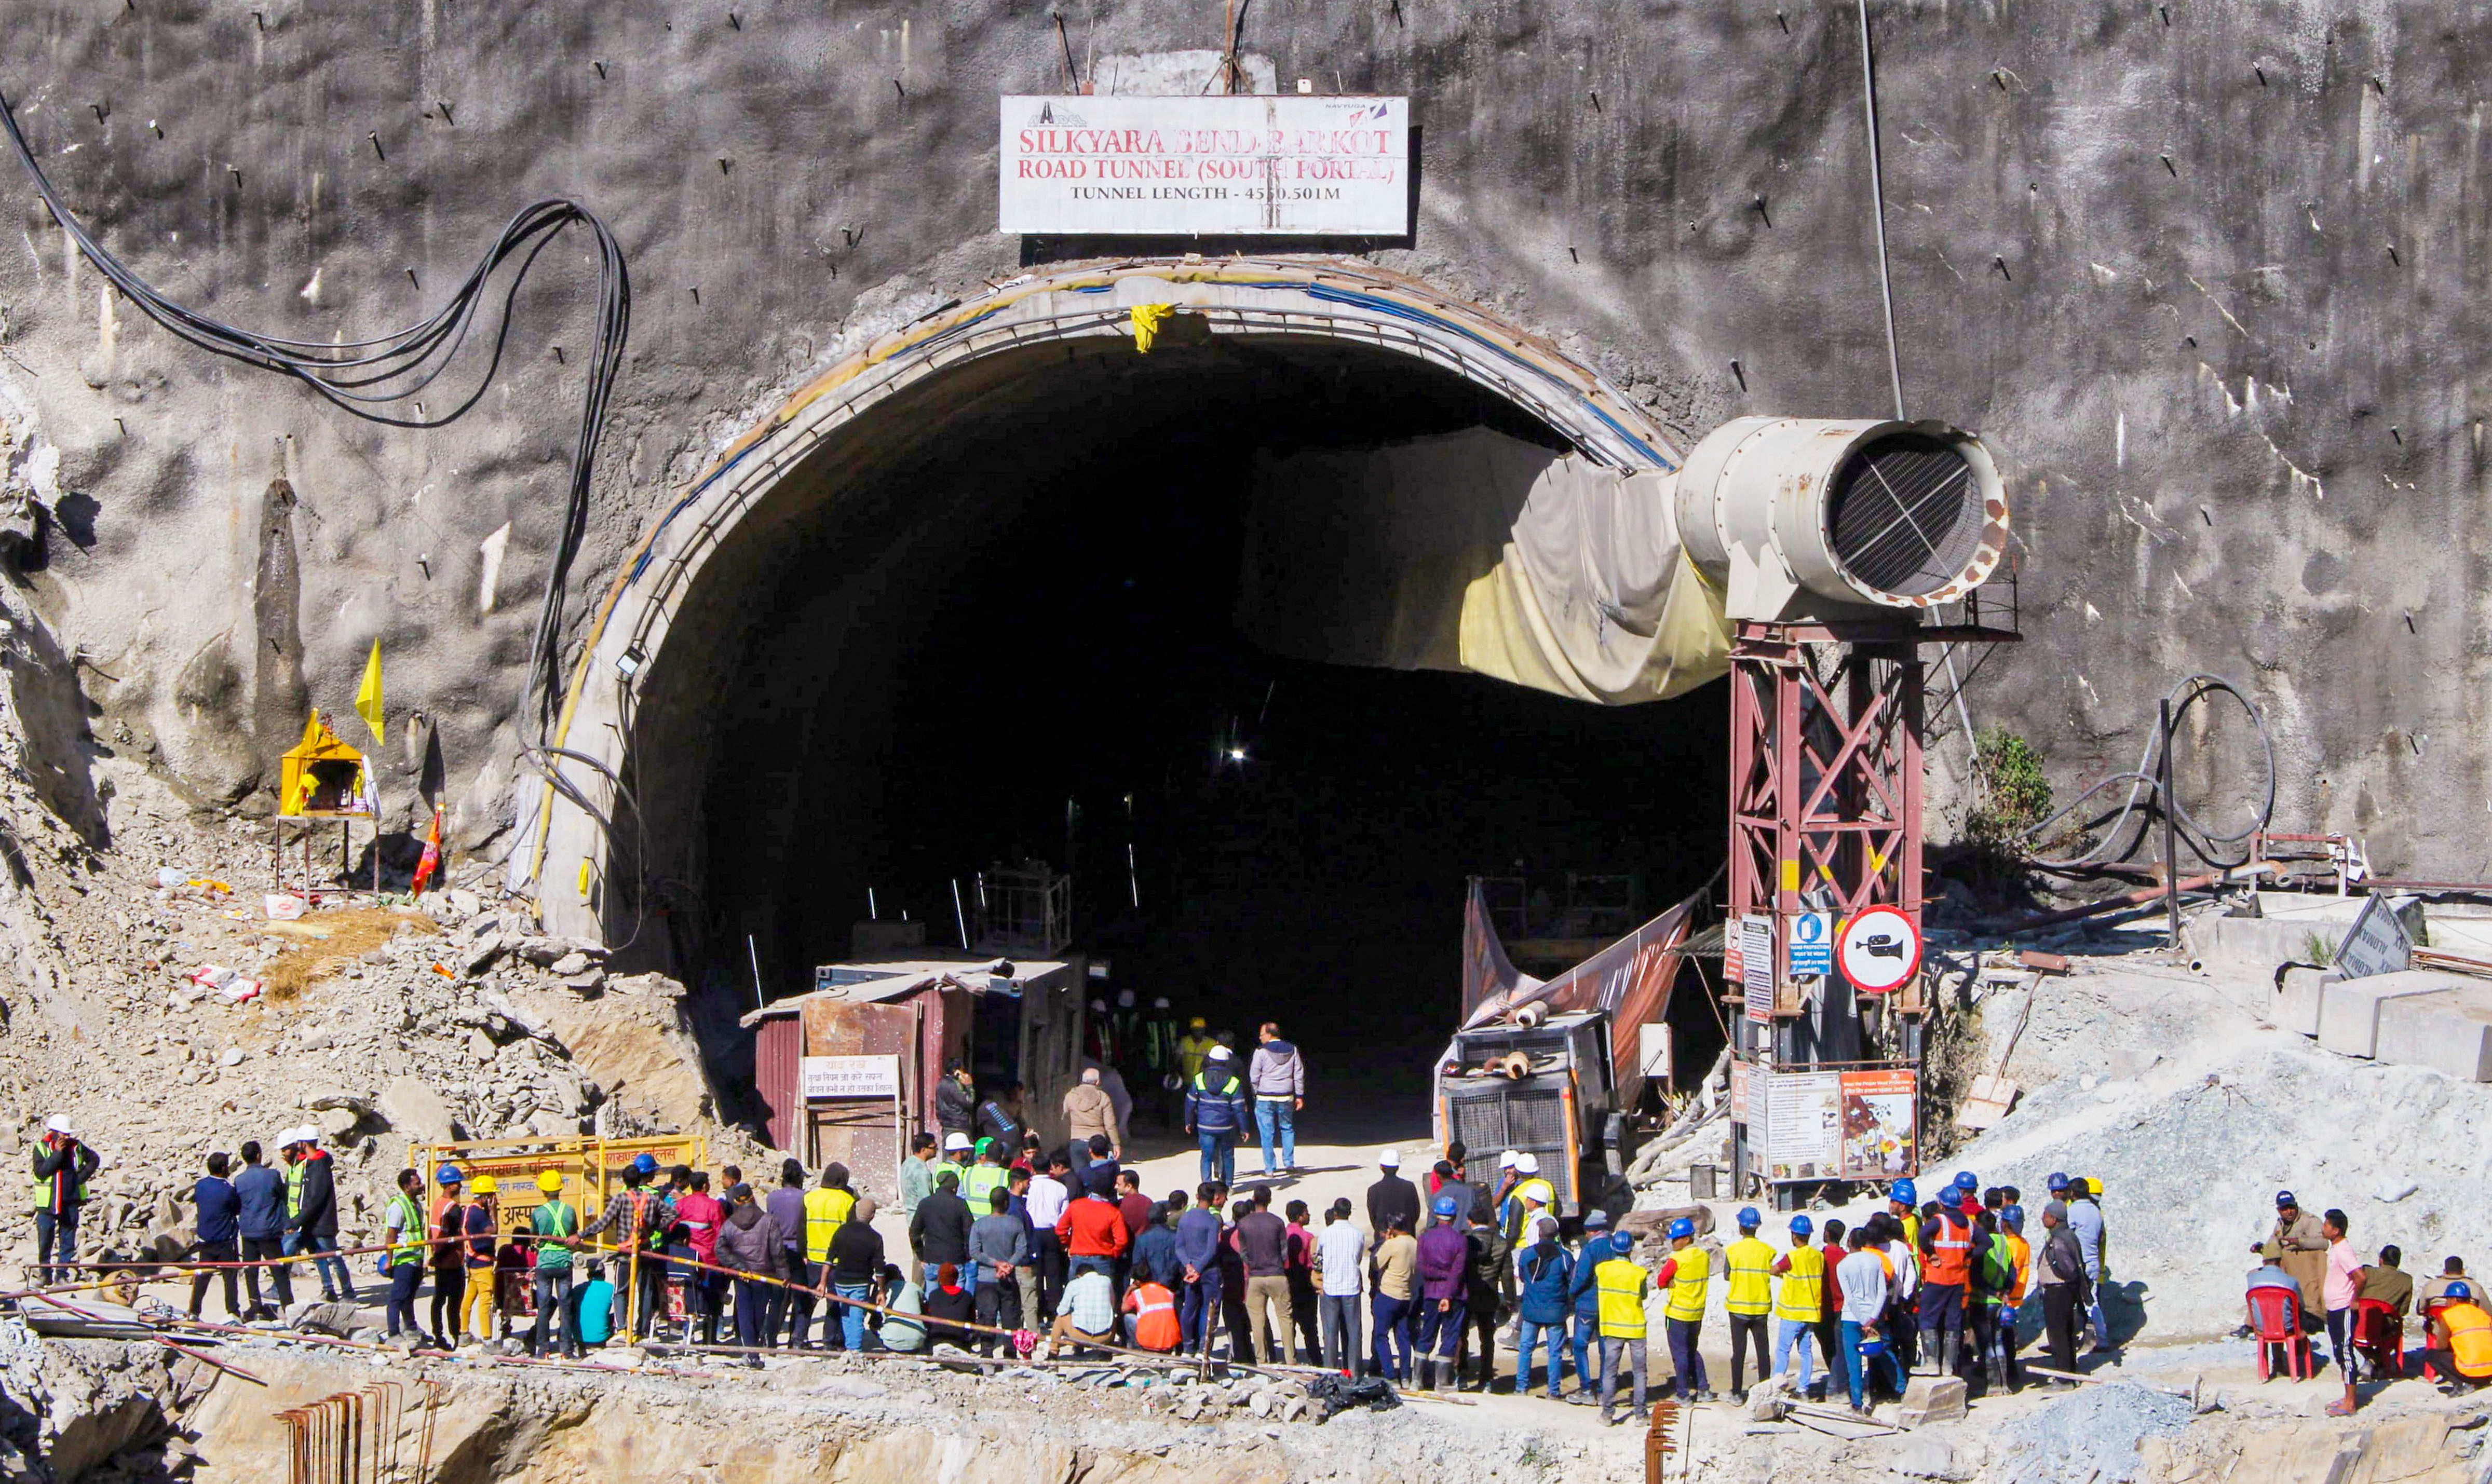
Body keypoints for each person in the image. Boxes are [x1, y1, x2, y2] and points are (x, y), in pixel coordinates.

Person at [580, 1155, 673, 1342]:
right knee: (645, 1292)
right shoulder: (651, 1198)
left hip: (625, 1253)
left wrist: (581, 1235)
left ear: (624, 1181)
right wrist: (655, 1225)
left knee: (621, 1291)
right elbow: (672, 1213)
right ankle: (642, 1330)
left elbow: (603, 1223)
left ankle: (623, 1329)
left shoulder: (621, 1199)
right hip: (645, 1251)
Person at [286, 1130, 353, 1302]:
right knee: (318, 1256)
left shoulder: (319, 1166)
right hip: (312, 1223)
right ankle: (329, 1289)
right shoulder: (310, 1164)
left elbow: (314, 1199)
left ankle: (348, 1292)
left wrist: (298, 1221)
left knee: (333, 1257)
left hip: (321, 1223)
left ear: (304, 1143)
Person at [30, 1117, 98, 1286]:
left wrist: (79, 1179)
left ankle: (61, 1275)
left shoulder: (76, 1147)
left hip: (70, 1202)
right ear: (53, 1132)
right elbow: (41, 1172)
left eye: (68, 1134)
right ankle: (44, 1274)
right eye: (63, 1134)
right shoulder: (41, 1148)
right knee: (45, 1240)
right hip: (48, 1204)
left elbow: (94, 1160)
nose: (66, 1138)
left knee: (67, 1240)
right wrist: (57, 1155)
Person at [1593, 1229, 1651, 1425]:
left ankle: (1608, 1414)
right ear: (1631, 1250)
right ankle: (1641, 1415)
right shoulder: (1639, 1273)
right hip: (1635, 1328)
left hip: (1612, 1328)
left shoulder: (1602, 1270)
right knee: (1640, 1372)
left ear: (1613, 1248)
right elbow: (1644, 1296)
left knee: (1609, 1372)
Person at [718, 1181, 784, 1351]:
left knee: (745, 1312)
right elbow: (777, 1250)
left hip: (742, 1275)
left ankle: (750, 1350)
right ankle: (756, 1346)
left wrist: (738, 1266)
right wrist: (784, 1274)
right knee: (759, 1312)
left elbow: (720, 1248)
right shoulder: (769, 1221)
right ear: (752, 1198)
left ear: (736, 1202)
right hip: (764, 1274)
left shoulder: (730, 1224)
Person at [1231, 1185, 1293, 1363]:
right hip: (1276, 1274)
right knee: (1285, 1318)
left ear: (1253, 1199)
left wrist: (1253, 1264)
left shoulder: (1244, 1224)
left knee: (1257, 1320)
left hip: (1256, 1276)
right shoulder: (1277, 1222)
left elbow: (1243, 1252)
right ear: (1270, 1200)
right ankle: (1290, 1359)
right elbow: (1284, 1251)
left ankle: (1261, 1359)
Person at [1916, 1192, 1974, 1381]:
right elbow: (1986, 1242)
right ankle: (1949, 1365)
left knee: (1927, 1318)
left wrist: (1930, 1252)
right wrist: (1967, 1257)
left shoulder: (1939, 1221)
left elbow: (1923, 1234)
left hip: (1938, 1278)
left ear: (1942, 1204)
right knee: (1953, 1322)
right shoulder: (1968, 1224)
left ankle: (1932, 1363)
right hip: (1957, 1280)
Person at [1515, 1214, 1574, 1400]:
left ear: (1539, 1233)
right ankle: (1553, 1391)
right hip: (1556, 1312)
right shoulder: (1565, 1257)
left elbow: (1524, 1278)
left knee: (1525, 1348)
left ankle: (1521, 1388)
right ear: (1556, 1234)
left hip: (1531, 1310)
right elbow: (1571, 1282)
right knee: (1555, 1352)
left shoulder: (1527, 1254)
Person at [1416, 1194, 1470, 1392]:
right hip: (1453, 1295)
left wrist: (1438, 1277)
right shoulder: (1460, 1241)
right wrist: (1447, 1294)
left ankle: (1417, 1380)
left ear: (1437, 1215)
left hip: (1431, 1292)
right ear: (1454, 1217)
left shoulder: (1424, 1238)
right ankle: (1443, 1382)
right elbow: (1457, 1272)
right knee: (1449, 1336)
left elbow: (1422, 1267)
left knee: (1426, 1335)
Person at [1837, 1228, 1893, 1416]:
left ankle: (1857, 1403)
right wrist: (1872, 1319)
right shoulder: (1875, 1260)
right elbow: (1882, 1293)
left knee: (1854, 1364)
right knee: (1883, 1354)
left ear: (1850, 1242)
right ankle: (1900, 1388)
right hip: (1872, 1315)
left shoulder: (1843, 1265)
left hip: (1852, 1317)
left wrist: (1862, 1321)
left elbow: (1849, 1298)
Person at [802, 1163, 858, 1350]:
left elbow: (801, 1228)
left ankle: (799, 1338)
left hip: (812, 1258)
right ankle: (830, 1341)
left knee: (807, 1302)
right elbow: (852, 1232)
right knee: (834, 1302)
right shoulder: (847, 1201)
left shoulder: (810, 1198)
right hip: (837, 1262)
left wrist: (804, 1253)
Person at [1723, 1206, 1776, 1400]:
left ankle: (1737, 1393)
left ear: (1741, 1228)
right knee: (1763, 1352)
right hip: (1760, 1308)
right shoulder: (1767, 1251)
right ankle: (1765, 1391)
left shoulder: (1732, 1250)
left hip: (1738, 1308)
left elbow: (1727, 1275)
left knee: (1739, 1353)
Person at [233, 1139, 289, 1320]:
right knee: (279, 1271)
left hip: (248, 1231)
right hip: (270, 1230)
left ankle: (255, 1307)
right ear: (259, 1155)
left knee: (251, 1271)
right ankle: (288, 1305)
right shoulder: (272, 1175)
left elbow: (237, 1205)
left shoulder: (239, 1180)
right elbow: (283, 1196)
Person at [2261, 1191, 2330, 1335]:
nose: (2289, 1212)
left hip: (2307, 1268)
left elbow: (2323, 1243)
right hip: (2289, 1269)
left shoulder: (2309, 1221)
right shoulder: (2280, 1224)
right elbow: (2274, 1242)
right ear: (2279, 1211)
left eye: (2291, 1207)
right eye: (2285, 1209)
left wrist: (2299, 1242)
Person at [1771, 1215, 1824, 1400]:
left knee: (1784, 1350)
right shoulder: (1818, 1256)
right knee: (1806, 1352)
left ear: (1794, 1235)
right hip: (1810, 1312)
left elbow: (1775, 1269)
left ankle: (1775, 1387)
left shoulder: (1791, 1256)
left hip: (1792, 1311)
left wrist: (1780, 1274)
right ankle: (1803, 1389)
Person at [969, 1187, 1028, 1352]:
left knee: (987, 1318)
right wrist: (1008, 1265)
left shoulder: (979, 1225)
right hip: (1008, 1278)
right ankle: (1010, 1354)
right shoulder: (1015, 1224)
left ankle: (987, 1354)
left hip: (986, 1278)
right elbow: (1022, 1249)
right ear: (1006, 1203)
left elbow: (974, 1252)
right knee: (1010, 1319)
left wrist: (995, 1264)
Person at [529, 1170, 580, 1357]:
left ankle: (543, 1350)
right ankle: (567, 1350)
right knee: (565, 1307)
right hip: (564, 1263)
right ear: (560, 1188)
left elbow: (534, 1238)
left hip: (544, 1264)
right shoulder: (569, 1211)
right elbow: (574, 1233)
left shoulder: (538, 1213)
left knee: (543, 1308)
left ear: (543, 1191)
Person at [2035, 1200, 2087, 1386]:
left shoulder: (2059, 1240)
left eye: (2046, 1215)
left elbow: (2069, 1269)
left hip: (2058, 1291)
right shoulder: (2067, 1235)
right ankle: (2071, 1374)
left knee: (2058, 1335)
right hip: (2063, 1291)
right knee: (2066, 1333)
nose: (2043, 1218)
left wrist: (2060, 1278)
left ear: (2054, 1219)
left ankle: (2064, 1379)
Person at [187, 1152, 243, 1323]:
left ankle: (194, 1311)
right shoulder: (228, 1190)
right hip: (225, 1240)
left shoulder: (201, 1186)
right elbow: (236, 1209)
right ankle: (232, 1311)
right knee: (230, 1278)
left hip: (205, 1240)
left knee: (202, 1277)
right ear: (224, 1168)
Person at [1459, 1199, 1508, 1391]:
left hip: (1466, 1293)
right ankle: (1486, 1379)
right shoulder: (1501, 1242)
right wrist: (1510, 1300)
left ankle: (1461, 1375)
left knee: (1461, 1335)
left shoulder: (1465, 1240)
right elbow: (1506, 1274)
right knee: (1487, 1338)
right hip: (1489, 1295)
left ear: (1470, 1222)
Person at [1564, 1210, 1612, 1404]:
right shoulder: (1615, 1246)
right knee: (1605, 1348)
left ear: (1593, 1231)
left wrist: (1570, 1294)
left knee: (1580, 1346)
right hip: (1609, 1304)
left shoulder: (1590, 1249)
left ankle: (1586, 1390)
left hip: (1588, 1304)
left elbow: (1581, 1277)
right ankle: (1603, 1391)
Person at [673, 1171, 725, 1345]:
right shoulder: (713, 1206)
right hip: (709, 1261)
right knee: (711, 1302)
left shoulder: (682, 1204)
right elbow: (721, 1233)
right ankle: (710, 1340)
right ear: (704, 1186)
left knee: (688, 1297)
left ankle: (688, 1335)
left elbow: (673, 1227)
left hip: (686, 1258)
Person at [1314, 1198, 1365, 1375]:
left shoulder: (1325, 1234)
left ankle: (1330, 1373)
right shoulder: (1358, 1234)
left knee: (1330, 1333)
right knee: (1353, 1333)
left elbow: (1318, 1259)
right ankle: (1354, 1372)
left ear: (1335, 1213)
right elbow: (1358, 1258)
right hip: (1351, 1286)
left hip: (1331, 1286)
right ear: (1349, 1213)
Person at [1248, 1023, 1305, 1177]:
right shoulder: (1292, 1049)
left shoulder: (1260, 1052)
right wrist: (1299, 1095)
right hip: (1286, 1096)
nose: (1260, 1037)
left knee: (1267, 1133)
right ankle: (1289, 1164)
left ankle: (1270, 1169)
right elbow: (1298, 1074)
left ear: (1270, 1035)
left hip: (1265, 1096)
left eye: (1262, 1034)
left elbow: (1254, 1076)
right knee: (1287, 1128)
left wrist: (1256, 1093)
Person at [1175, 1181, 1226, 1355]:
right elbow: (1211, 1250)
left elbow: (1179, 1247)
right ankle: (1203, 1349)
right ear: (1213, 1199)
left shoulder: (1185, 1218)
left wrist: (1189, 1266)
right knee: (1208, 1310)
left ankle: (1188, 1346)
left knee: (1189, 1308)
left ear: (1197, 1197)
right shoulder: (1212, 1221)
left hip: (1190, 1270)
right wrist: (1198, 1268)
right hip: (1208, 1270)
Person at [1184, 1049, 1247, 1187]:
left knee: (1206, 1157)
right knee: (1228, 1156)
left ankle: (1206, 1186)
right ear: (1226, 1062)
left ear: (1210, 1060)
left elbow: (1190, 1103)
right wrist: (1244, 1129)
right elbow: (1239, 1108)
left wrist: (1189, 1121)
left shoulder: (1199, 1079)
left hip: (1205, 1126)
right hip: (1227, 1127)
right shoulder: (1233, 1082)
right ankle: (1228, 1185)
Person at [828, 1199, 884, 1352]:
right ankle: (855, 1350)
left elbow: (829, 1259)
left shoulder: (841, 1231)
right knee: (857, 1317)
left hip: (841, 1282)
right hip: (860, 1283)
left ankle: (850, 1347)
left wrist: (822, 1282)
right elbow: (879, 1269)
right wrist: (881, 1291)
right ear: (872, 1216)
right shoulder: (875, 1237)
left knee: (846, 1315)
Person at [910, 1170, 973, 1302]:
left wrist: (922, 1256)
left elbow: (914, 1233)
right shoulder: (960, 1204)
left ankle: (933, 1321)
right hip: (955, 1260)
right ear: (954, 1187)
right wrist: (967, 1255)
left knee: (932, 1300)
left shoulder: (925, 1203)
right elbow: (970, 1232)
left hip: (932, 1259)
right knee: (957, 1298)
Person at [1024, 1150, 1073, 1319]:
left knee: (1035, 1274)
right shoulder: (1060, 1188)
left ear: (1033, 1169)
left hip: (1033, 1233)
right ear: (1050, 1168)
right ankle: (1054, 1313)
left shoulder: (1028, 1187)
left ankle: (1037, 1311)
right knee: (1054, 1275)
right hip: (1054, 1233)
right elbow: (1064, 1215)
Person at [380, 1168, 428, 1342]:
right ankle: (393, 1333)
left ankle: (411, 1328)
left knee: (409, 1297)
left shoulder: (415, 1204)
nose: (421, 1185)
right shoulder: (398, 1207)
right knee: (398, 1297)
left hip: (415, 1259)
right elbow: (391, 1235)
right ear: (407, 1186)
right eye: (417, 1183)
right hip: (404, 1260)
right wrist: (389, 1260)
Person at [1370, 1210, 1418, 1382]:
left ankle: (1390, 1375)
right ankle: (1405, 1375)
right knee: (1403, 1337)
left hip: (1389, 1293)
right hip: (1406, 1296)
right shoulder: (1414, 1243)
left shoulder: (1393, 1244)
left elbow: (1376, 1264)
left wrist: (1386, 1242)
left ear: (1393, 1228)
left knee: (1381, 1336)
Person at [767, 1159, 811, 1345]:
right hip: (800, 1252)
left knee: (778, 1299)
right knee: (801, 1298)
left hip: (777, 1251)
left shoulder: (772, 1198)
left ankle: (771, 1338)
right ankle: (797, 1338)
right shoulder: (805, 1198)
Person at [2323, 1208, 2362, 1414]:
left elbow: (2360, 1277)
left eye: (2327, 1225)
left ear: (2336, 1230)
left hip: (2344, 1307)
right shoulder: (2335, 1249)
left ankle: (2351, 1403)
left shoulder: (2344, 1250)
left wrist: (2355, 1299)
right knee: (2339, 1352)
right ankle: (2347, 1397)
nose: (2324, 1227)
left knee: (2346, 1352)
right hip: (2334, 1308)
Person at [427, 1167, 468, 1349]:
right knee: (454, 1302)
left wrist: (436, 1256)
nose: (459, 1186)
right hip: (451, 1261)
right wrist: (439, 1256)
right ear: (449, 1185)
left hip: (442, 1260)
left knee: (438, 1300)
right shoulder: (452, 1209)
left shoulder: (438, 1204)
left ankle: (439, 1335)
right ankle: (455, 1335)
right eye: (457, 1183)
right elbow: (448, 1237)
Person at [2425, 1281, 2492, 1392]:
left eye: (2447, 1299)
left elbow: (2441, 1346)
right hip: (2489, 1372)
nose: (2446, 1303)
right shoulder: (2483, 1314)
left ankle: (2462, 1384)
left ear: (2454, 1300)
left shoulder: (2449, 1316)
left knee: (2432, 1355)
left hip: (2470, 1373)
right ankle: (2481, 1382)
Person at [2067, 1176, 2109, 1351]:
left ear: (2073, 1193)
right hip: (2093, 1263)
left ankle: (2066, 1342)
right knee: (2092, 1303)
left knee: (2067, 1302)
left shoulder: (2073, 1211)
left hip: (2078, 1263)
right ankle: (2103, 1339)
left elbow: (2066, 1234)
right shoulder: (2096, 1212)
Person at [1284, 1199, 1323, 1363]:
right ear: (1300, 1217)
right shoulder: (1308, 1237)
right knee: (1309, 1326)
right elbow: (1312, 1262)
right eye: (1306, 1213)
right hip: (1304, 1282)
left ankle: (1290, 1357)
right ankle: (1315, 1359)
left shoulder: (1283, 1234)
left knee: (1288, 1322)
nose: (1309, 1215)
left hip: (1286, 1280)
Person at [1047, 1267, 1116, 1357]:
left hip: (1079, 1336)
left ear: (1079, 1276)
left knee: (1061, 1318)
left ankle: (1053, 1352)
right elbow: (1112, 1304)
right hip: (1105, 1337)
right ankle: (1106, 1352)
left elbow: (1062, 1311)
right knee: (1112, 1316)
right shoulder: (1107, 1281)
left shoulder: (1074, 1284)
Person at [1064, 1068, 1121, 1176]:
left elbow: (1066, 1117)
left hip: (1077, 1141)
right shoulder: (1104, 1098)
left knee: (1079, 1176)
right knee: (1100, 1175)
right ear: (1098, 1082)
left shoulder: (1070, 1096)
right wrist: (1116, 1144)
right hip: (1098, 1143)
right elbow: (1110, 1125)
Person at [1123, 1269, 1182, 1352]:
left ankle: (1137, 1349)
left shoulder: (1137, 1294)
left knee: (1128, 1317)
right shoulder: (1167, 1292)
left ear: (1138, 1282)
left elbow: (1123, 1309)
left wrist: (1129, 1290)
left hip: (1149, 1343)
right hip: (1170, 1342)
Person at [1366, 1150, 1421, 1238]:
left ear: (1381, 1167)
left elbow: (1374, 1218)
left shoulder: (1374, 1190)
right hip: (1406, 1238)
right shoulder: (1409, 1187)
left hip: (1383, 1239)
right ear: (1397, 1167)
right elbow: (1415, 1213)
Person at [922, 1261, 976, 1344]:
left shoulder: (934, 1295)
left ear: (940, 1279)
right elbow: (972, 1320)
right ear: (957, 1278)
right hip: (960, 1340)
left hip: (937, 1339)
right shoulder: (967, 1296)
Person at [572, 1262, 618, 1349]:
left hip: (579, 1339)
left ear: (588, 1275)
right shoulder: (612, 1288)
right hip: (600, 1339)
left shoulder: (578, 1288)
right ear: (603, 1274)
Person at [1430, 1160, 1483, 1230]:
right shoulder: (1470, 1191)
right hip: (1470, 1237)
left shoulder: (1436, 1197)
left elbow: (1431, 1225)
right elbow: (1480, 1215)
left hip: (1449, 1238)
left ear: (1438, 1176)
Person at [898, 1134, 937, 1219]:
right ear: (923, 1150)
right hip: (921, 1219)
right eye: (933, 1147)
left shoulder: (908, 1162)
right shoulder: (922, 1171)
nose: (936, 1150)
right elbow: (926, 1200)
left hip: (910, 1217)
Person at [976, 1082, 1026, 1148]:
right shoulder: (997, 1104)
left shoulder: (1018, 1106)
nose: (1019, 1103)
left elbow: (1020, 1119)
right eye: (1015, 1094)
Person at [935, 1062, 976, 1141]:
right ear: (957, 1071)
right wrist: (969, 1086)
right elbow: (970, 1102)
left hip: (947, 1125)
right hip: (959, 1125)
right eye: (962, 1070)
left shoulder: (941, 1084)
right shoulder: (955, 1085)